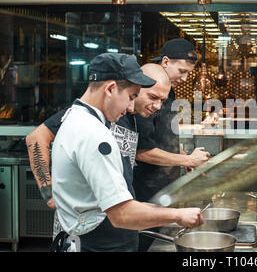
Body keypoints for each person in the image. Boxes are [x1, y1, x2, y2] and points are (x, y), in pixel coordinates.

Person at [32, 53, 203, 252]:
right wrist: (48, 191)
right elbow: (36, 138)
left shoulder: (102, 119)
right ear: (111, 89)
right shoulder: (91, 130)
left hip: (104, 223)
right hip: (91, 232)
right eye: (134, 96)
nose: (132, 106)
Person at [133, 39, 211, 251]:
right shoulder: (147, 89)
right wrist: (186, 159)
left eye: (188, 73)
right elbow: (142, 150)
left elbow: (164, 136)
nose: (184, 78)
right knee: (144, 243)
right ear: (165, 61)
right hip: (144, 188)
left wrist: (185, 158)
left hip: (164, 184)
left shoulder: (169, 90)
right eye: (182, 71)